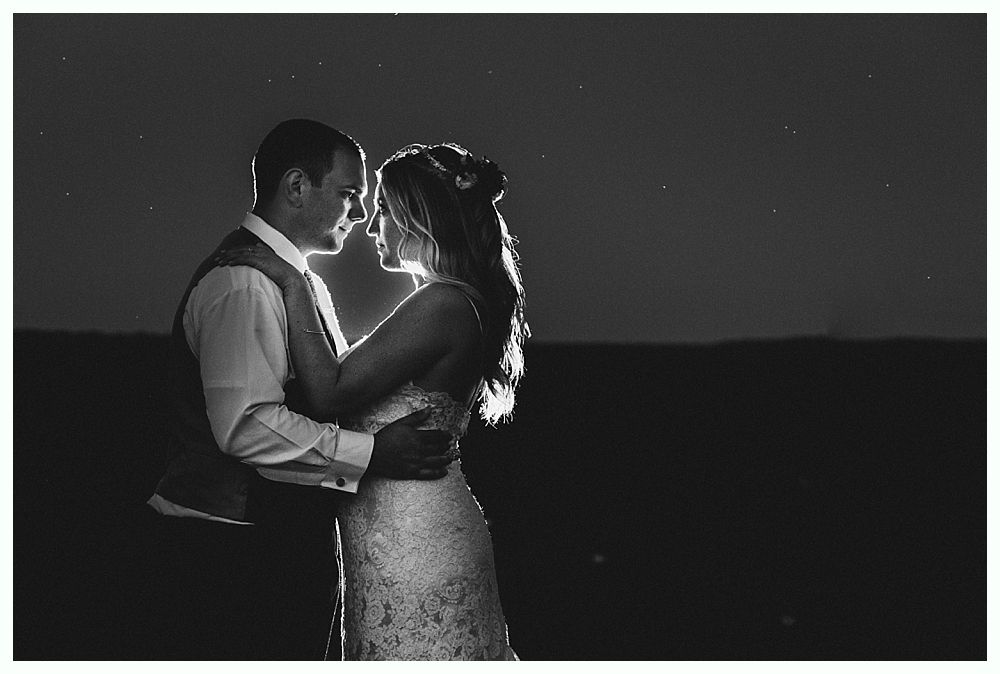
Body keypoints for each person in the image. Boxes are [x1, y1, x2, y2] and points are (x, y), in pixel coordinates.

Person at [144, 120, 454, 661]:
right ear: (295, 187)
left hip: (270, 544)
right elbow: (246, 427)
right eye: (349, 195)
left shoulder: (294, 279)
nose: (360, 215)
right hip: (225, 552)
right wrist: (374, 454)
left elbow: (327, 391)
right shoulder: (244, 284)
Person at [216, 142, 528, 660]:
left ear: (418, 220)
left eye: (383, 209)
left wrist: (293, 282)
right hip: (388, 538)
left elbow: (331, 390)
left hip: (417, 544)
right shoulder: (446, 299)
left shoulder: (443, 303)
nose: (369, 224)